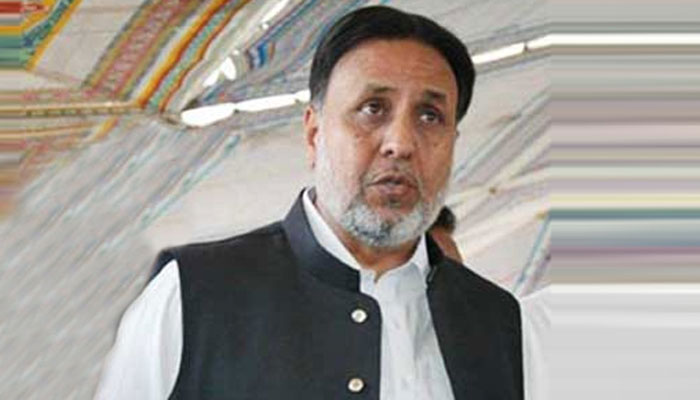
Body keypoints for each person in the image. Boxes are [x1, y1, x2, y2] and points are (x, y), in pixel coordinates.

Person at [95, 6, 523, 400]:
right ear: (314, 133)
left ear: (453, 143)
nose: (400, 143)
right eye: (373, 108)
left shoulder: (498, 323)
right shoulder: (194, 294)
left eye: (430, 116)